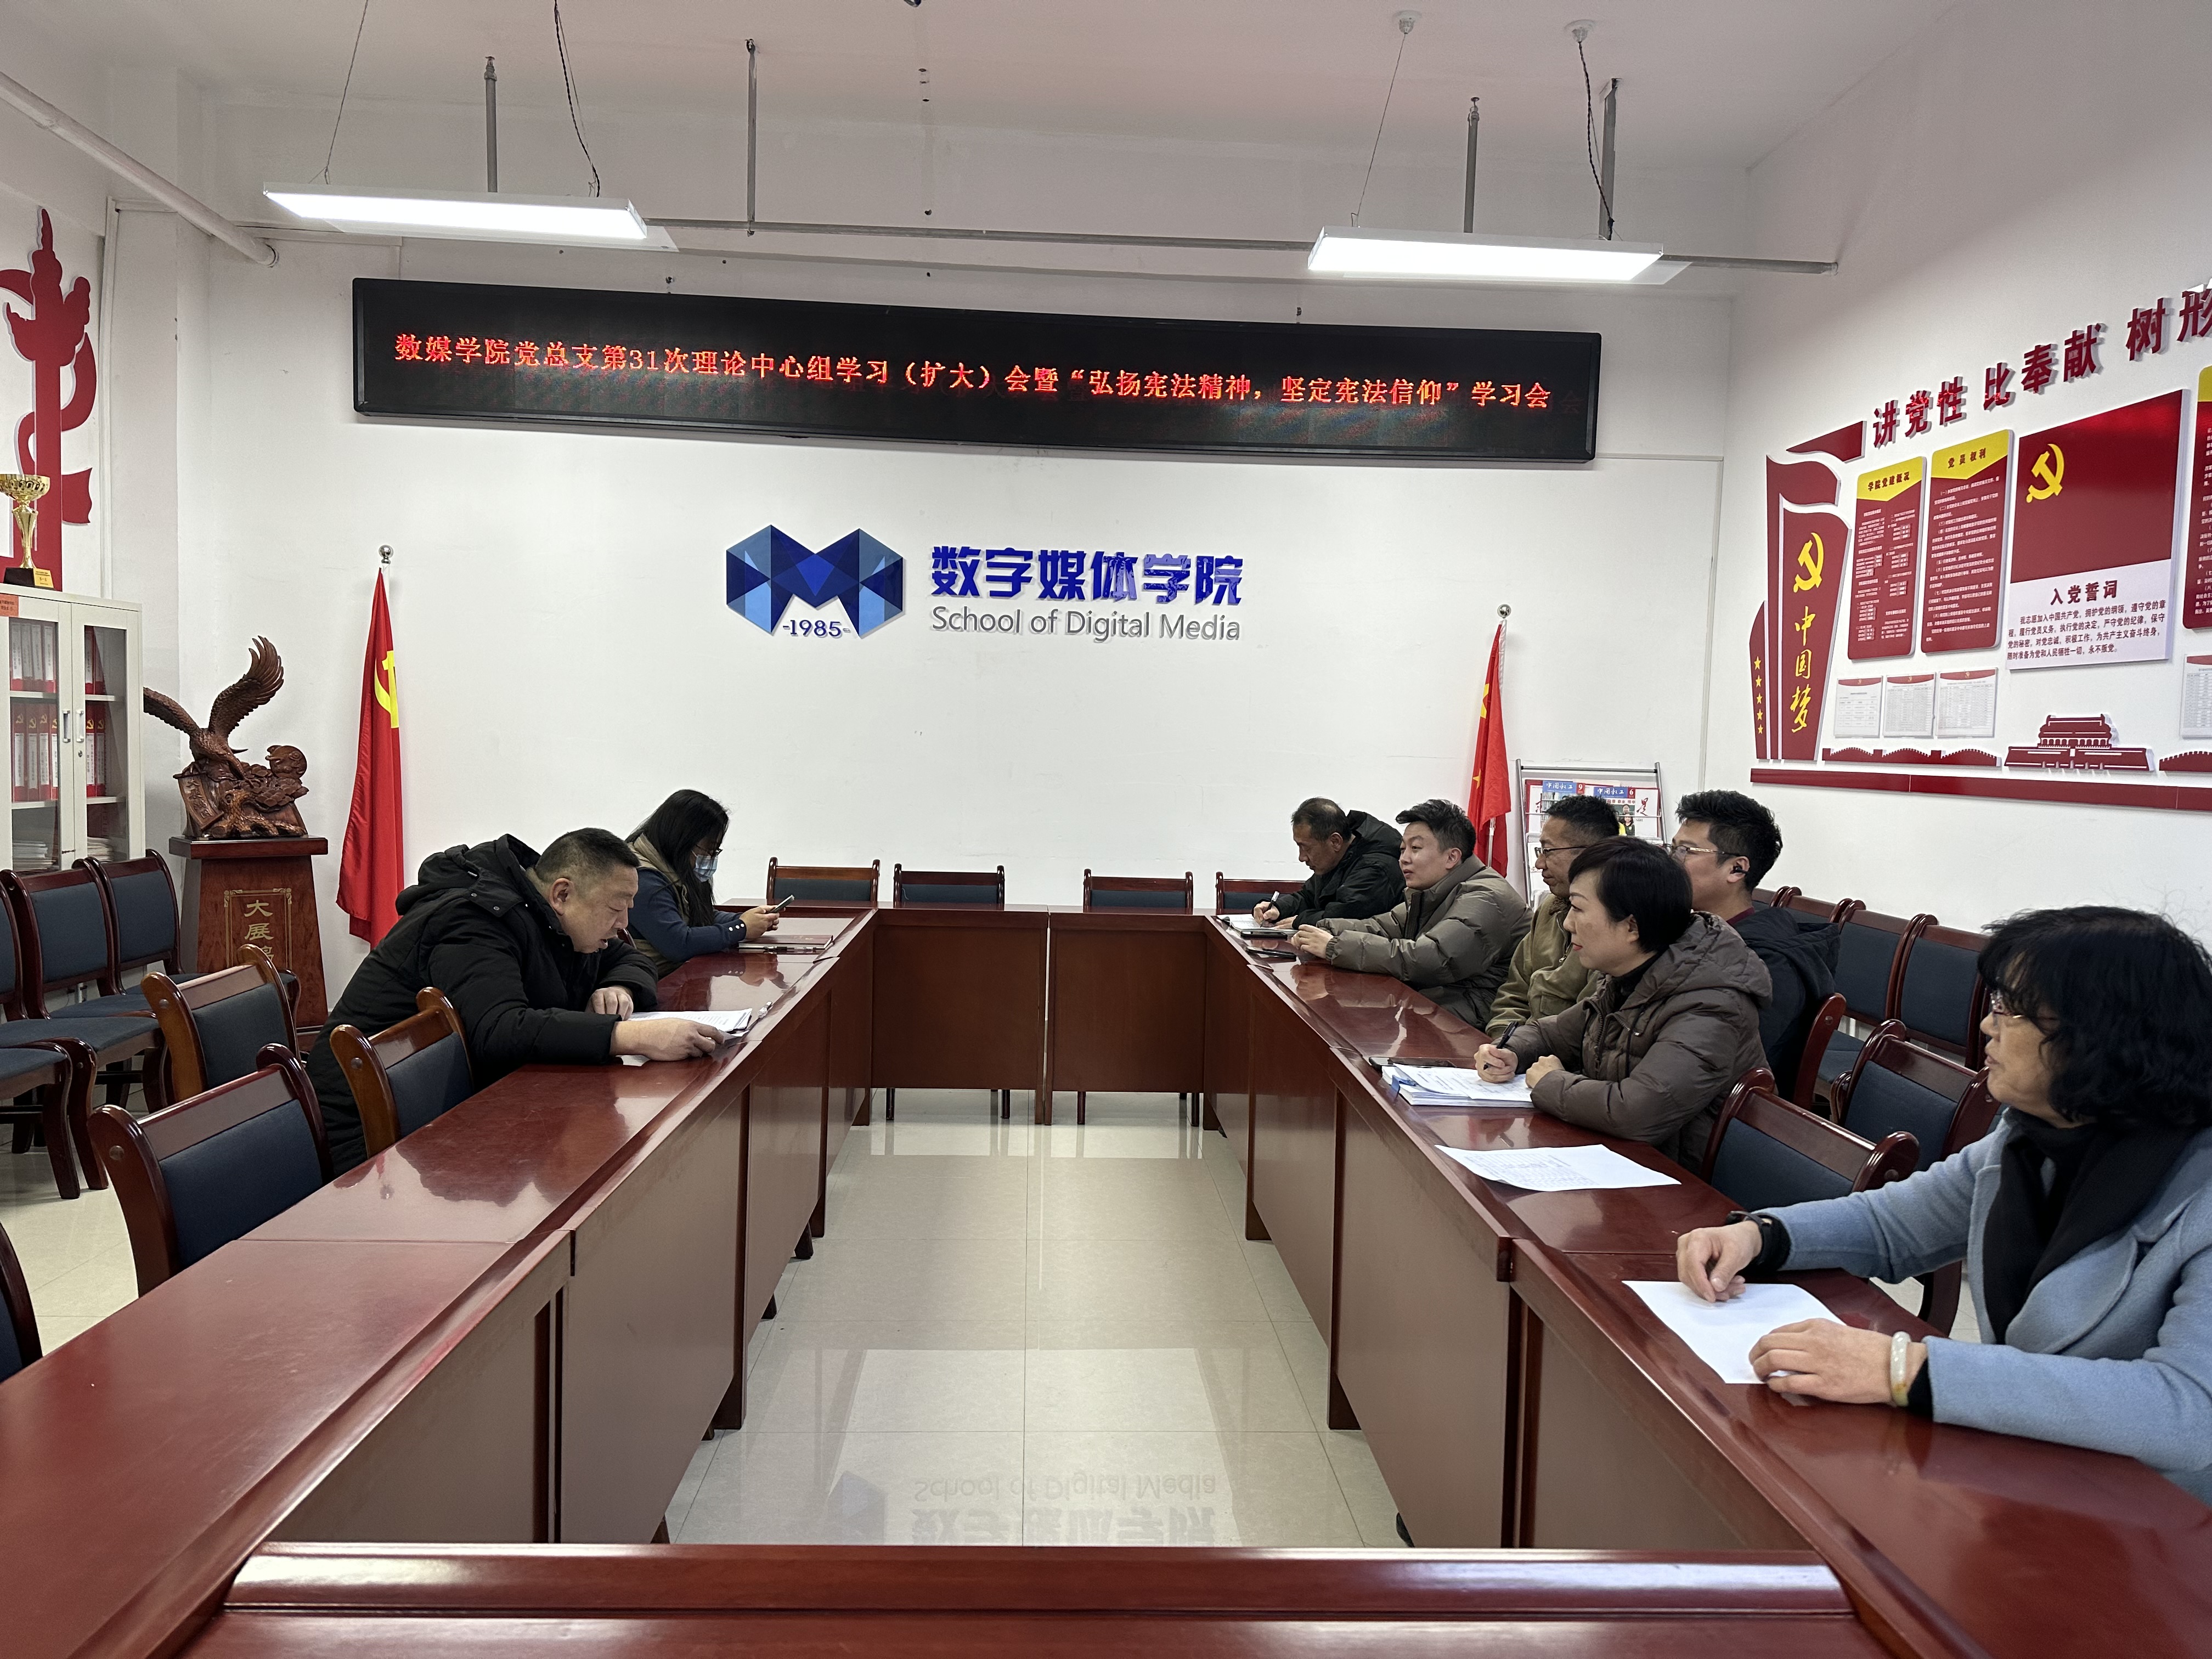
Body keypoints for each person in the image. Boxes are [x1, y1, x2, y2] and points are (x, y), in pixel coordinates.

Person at [1674, 907, 2212, 1503]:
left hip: (2164, 1520)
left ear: (2100, 1035)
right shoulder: (2029, 1136)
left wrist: (1904, 1368)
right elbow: (1893, 1224)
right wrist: (1761, 1235)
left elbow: (2187, 1410)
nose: (1986, 1026)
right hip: (2037, 1474)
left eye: (2009, 1009)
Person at [303, 829, 726, 1171]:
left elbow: (629, 958)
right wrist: (630, 1037)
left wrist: (620, 988)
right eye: (616, 908)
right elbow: (500, 1029)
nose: (624, 924)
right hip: (366, 1135)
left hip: (449, 1115)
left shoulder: (552, 917)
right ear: (562, 894)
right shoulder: (474, 920)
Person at [1473, 838, 1769, 1169]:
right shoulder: (1631, 973)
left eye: (1578, 908)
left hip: (1680, 1181)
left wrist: (1551, 1083)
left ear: (1631, 926)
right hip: (1619, 1159)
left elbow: (1637, 1113)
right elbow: (1553, 1033)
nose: (1568, 923)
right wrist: (1509, 1051)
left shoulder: (1711, 1003)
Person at [1290, 799, 1527, 1027]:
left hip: (1484, 1016)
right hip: (1443, 999)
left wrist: (1335, 947)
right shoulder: (1433, 891)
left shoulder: (1485, 897)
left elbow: (1431, 958)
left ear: (1452, 857)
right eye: (1403, 849)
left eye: (1416, 849)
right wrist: (1323, 929)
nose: (1404, 859)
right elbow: (1382, 926)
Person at [1668, 789, 1838, 1087]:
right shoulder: (1694, 932)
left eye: (1687, 851)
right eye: (1672, 849)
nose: (1672, 862)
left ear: (1737, 869)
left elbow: (1716, 1066)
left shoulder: (1766, 965)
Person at [1485, 794, 1621, 1042]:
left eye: (1548, 851)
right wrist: (1503, 1044)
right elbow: (1513, 996)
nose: (1539, 863)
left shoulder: (1614, 923)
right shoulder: (1550, 908)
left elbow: (1585, 1026)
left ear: (1589, 854)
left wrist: (1521, 1051)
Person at [627, 789, 777, 978]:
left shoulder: (671, 865)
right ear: (682, 839)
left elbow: (698, 915)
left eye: (715, 851)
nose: (710, 857)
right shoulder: (644, 879)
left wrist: (747, 919)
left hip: (681, 977)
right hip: (658, 984)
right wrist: (742, 928)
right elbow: (679, 944)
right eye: (709, 850)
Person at [1250, 798, 1404, 927]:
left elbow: (1345, 916)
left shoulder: (1376, 866)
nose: (1302, 857)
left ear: (1335, 841)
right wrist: (1279, 908)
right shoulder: (1338, 856)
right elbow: (1309, 896)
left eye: (1307, 848)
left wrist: (1300, 921)